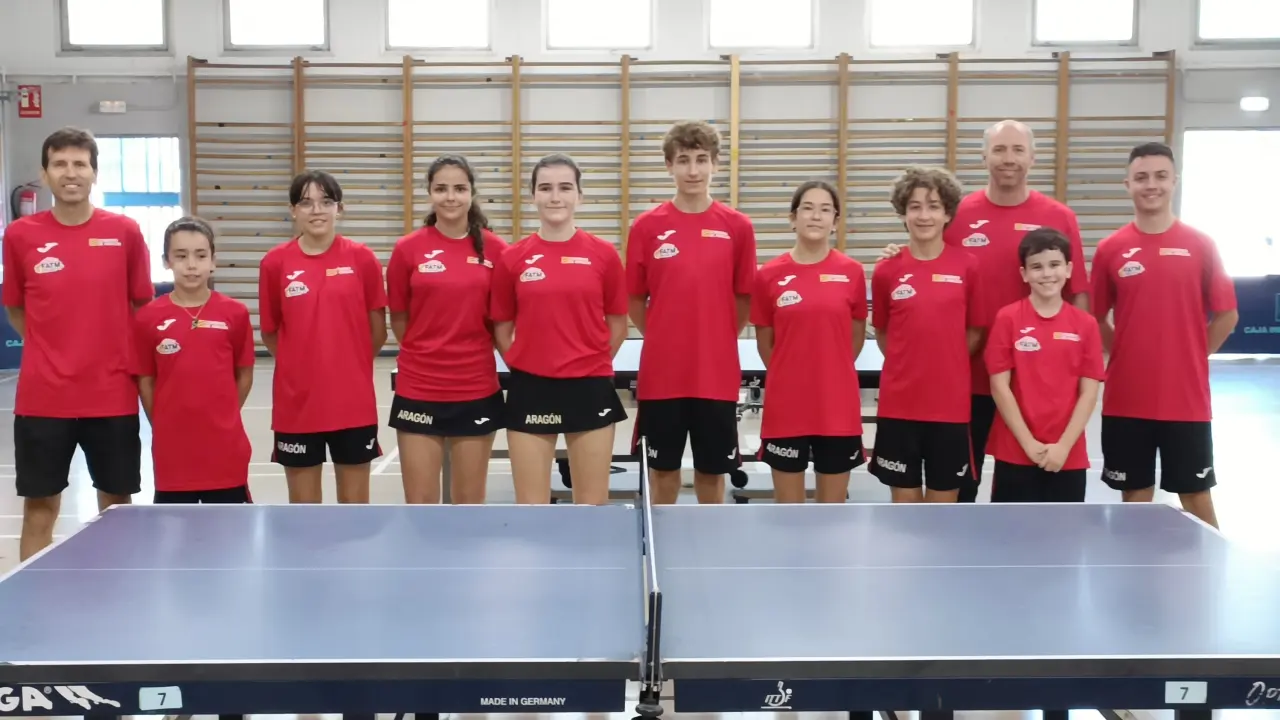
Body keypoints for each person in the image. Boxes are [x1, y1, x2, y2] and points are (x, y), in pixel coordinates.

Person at [880, 119, 1089, 503]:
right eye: (999, 149)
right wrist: (897, 253)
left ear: (1033, 157)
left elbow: (1077, 297)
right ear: (983, 156)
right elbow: (924, 254)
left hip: (1034, 384)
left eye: (1017, 149)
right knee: (960, 492)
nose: (1008, 158)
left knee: (1025, 492)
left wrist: (1073, 369)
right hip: (965, 384)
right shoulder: (958, 213)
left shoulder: (1060, 216)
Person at [2, 127, 153, 561]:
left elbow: (141, 305)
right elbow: (16, 308)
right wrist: (51, 349)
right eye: (60, 164)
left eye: (80, 164)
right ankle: (30, 596)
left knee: (117, 507)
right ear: (44, 173)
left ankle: (119, 591)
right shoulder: (20, 235)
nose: (70, 173)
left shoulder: (124, 232)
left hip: (112, 396)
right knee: (39, 509)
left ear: (94, 173)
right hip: (43, 399)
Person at [1091, 141, 1237, 528]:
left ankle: (1213, 562)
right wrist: (1125, 353)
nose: (1151, 184)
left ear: (1175, 181)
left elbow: (1227, 314)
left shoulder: (1201, 244)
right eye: (1141, 177)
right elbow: (1096, 317)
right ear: (1128, 184)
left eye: (1160, 176)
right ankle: (1136, 566)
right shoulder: (1110, 249)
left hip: (1185, 400)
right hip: (1127, 400)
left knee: (1196, 495)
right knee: (1135, 497)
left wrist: (1192, 355)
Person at [626, 120, 758, 505]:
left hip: (716, 375)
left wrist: (714, 338)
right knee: (663, 473)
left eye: (702, 159)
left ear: (716, 163)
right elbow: (634, 299)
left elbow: (744, 298)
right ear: (669, 165)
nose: (693, 170)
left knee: (712, 474)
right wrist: (665, 336)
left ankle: (708, 542)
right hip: (662, 376)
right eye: (683, 160)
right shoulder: (647, 227)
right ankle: (663, 541)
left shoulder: (738, 227)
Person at [490, 154, 628, 505]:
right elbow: (502, 326)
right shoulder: (513, 258)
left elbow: (617, 323)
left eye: (565, 188)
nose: (555, 197)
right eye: (545, 188)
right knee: (531, 507)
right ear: (533, 195)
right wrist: (524, 362)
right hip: (531, 388)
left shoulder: (604, 254)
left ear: (579, 196)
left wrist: (590, 361)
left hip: (590, 386)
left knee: (592, 506)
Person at [258, 170, 388, 504]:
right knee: (305, 517)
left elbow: (377, 330)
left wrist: (348, 365)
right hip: (297, 407)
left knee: (355, 514)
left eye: (326, 201)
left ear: (339, 208)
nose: (316, 210)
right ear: (293, 210)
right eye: (306, 202)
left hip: (353, 405)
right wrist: (301, 366)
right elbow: (271, 332)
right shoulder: (274, 263)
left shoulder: (362, 259)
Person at [386, 155, 508, 505]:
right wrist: (427, 352)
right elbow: (400, 318)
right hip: (419, 387)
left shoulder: (497, 250)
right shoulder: (408, 249)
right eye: (441, 189)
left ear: (472, 193)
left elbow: (501, 321)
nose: (450, 197)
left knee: (469, 504)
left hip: (476, 387)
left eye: (459, 188)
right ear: (429, 193)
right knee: (421, 504)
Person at [869, 166, 983, 503]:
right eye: (915, 206)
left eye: (933, 206)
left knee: (940, 514)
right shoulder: (886, 270)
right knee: (905, 511)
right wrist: (909, 364)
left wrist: (945, 363)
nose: (924, 215)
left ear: (947, 213)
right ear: (903, 213)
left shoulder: (968, 266)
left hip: (949, 408)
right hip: (899, 407)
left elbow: (975, 331)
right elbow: (884, 333)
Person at [750, 181, 868, 503]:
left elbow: (855, 337)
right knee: (790, 515)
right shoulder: (768, 275)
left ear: (835, 222)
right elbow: (765, 344)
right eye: (808, 208)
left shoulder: (853, 272)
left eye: (825, 209)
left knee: (832, 514)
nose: (816, 216)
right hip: (786, 408)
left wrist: (831, 371)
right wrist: (791, 375)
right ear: (793, 218)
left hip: (837, 408)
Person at [133, 217, 256, 504]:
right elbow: (146, 381)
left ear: (213, 261)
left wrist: (222, 415)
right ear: (166, 262)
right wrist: (164, 421)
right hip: (172, 454)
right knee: (174, 529)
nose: (191, 265)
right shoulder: (148, 317)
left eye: (200, 256)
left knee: (228, 529)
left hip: (225, 450)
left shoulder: (235, 313)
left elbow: (244, 374)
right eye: (181, 256)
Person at [984, 228, 1104, 503]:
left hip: (1067, 455)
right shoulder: (1008, 318)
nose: (1047, 273)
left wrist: (1063, 446)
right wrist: (1028, 443)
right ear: (1024, 274)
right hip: (1015, 451)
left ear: (1069, 269)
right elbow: (999, 386)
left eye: (1054, 264)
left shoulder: (1085, 324)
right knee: (1010, 529)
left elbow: (1089, 392)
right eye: (1037, 267)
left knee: (1064, 529)